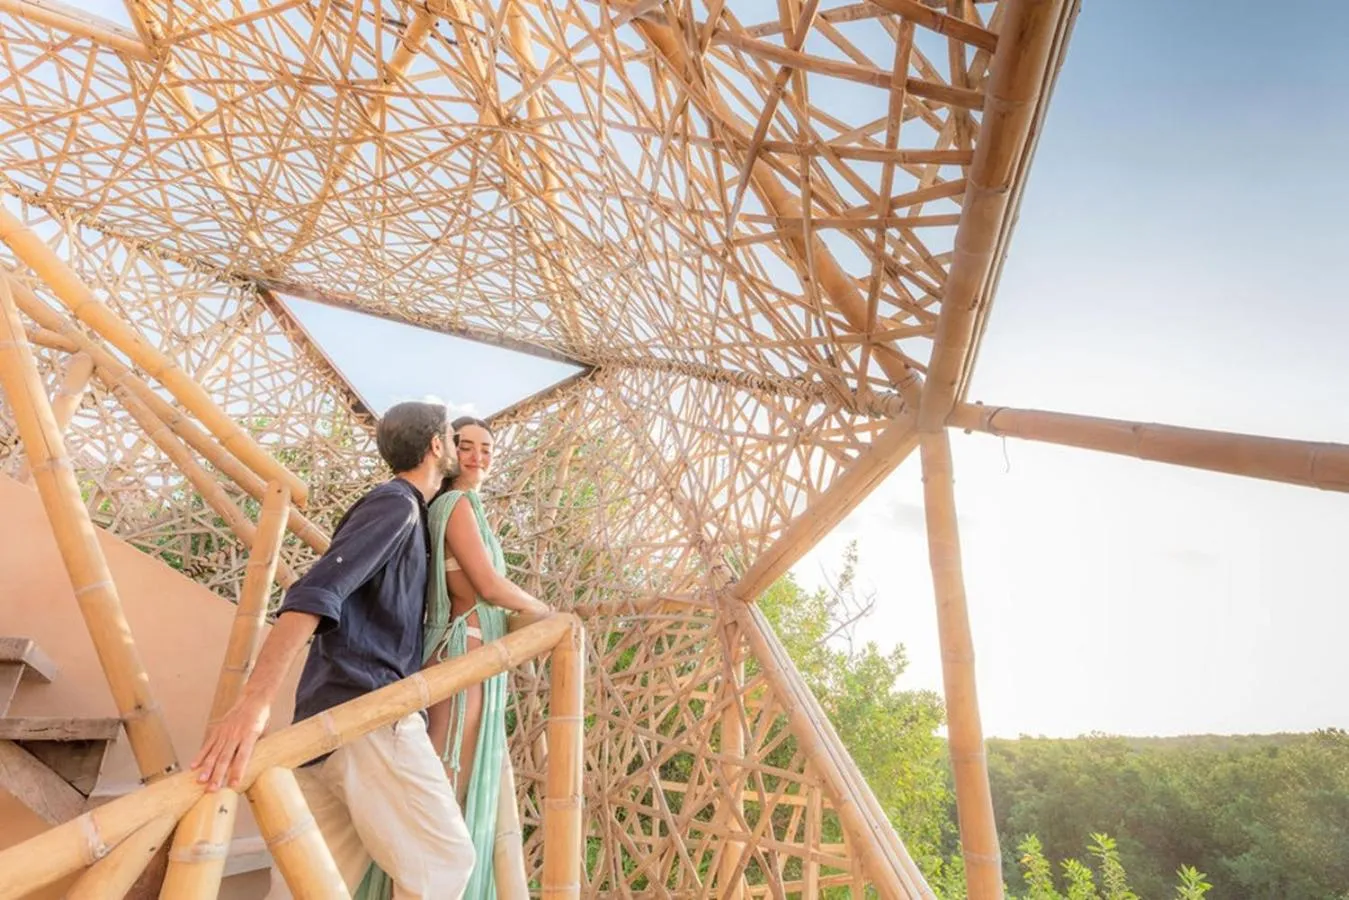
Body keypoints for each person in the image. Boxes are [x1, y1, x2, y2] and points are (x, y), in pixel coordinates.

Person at [191, 400, 476, 899]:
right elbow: (314, 592)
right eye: (454, 438)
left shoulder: (404, 511)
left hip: (326, 726)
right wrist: (254, 703)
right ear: (435, 445)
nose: (458, 449)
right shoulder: (397, 504)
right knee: (445, 861)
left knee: (314, 885)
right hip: (365, 711)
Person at [356, 416, 551, 900]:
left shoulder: (451, 507)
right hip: (463, 652)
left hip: (469, 652)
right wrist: (545, 612)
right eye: (466, 446)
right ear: (445, 451)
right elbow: (487, 587)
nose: (478, 457)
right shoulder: (457, 504)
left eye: (487, 448)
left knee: (453, 784)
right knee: (448, 783)